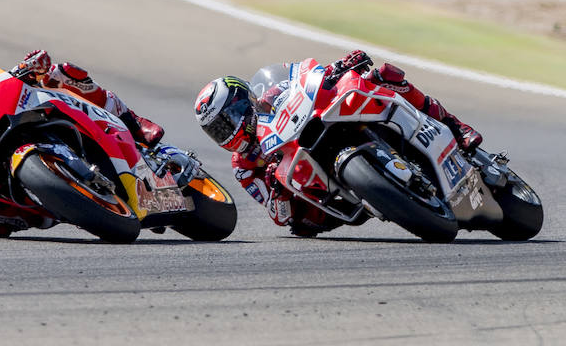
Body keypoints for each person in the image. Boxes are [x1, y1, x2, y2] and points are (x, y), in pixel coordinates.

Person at [194, 49, 482, 237]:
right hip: (318, 201)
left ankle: (456, 127)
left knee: (382, 78)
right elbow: (279, 217)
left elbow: (305, 78)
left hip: (318, 127)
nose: (227, 132)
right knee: (299, 225)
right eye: (217, 131)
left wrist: (340, 67)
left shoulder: (269, 95)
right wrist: (274, 187)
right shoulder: (243, 166)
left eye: (227, 121)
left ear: (245, 101)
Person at [0, 50, 165, 237]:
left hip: (9, 122)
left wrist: (27, 68)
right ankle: (63, 205)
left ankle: (133, 122)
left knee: (60, 75)